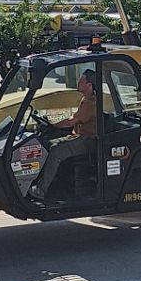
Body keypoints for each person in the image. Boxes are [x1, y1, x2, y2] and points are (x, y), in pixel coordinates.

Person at [31, 69, 98, 203]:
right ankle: (51, 184)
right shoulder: (86, 99)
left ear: (89, 85)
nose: (78, 83)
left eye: (81, 81)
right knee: (48, 143)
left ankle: (41, 190)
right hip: (78, 136)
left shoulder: (91, 103)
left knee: (56, 151)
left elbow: (72, 121)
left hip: (87, 140)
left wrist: (54, 125)